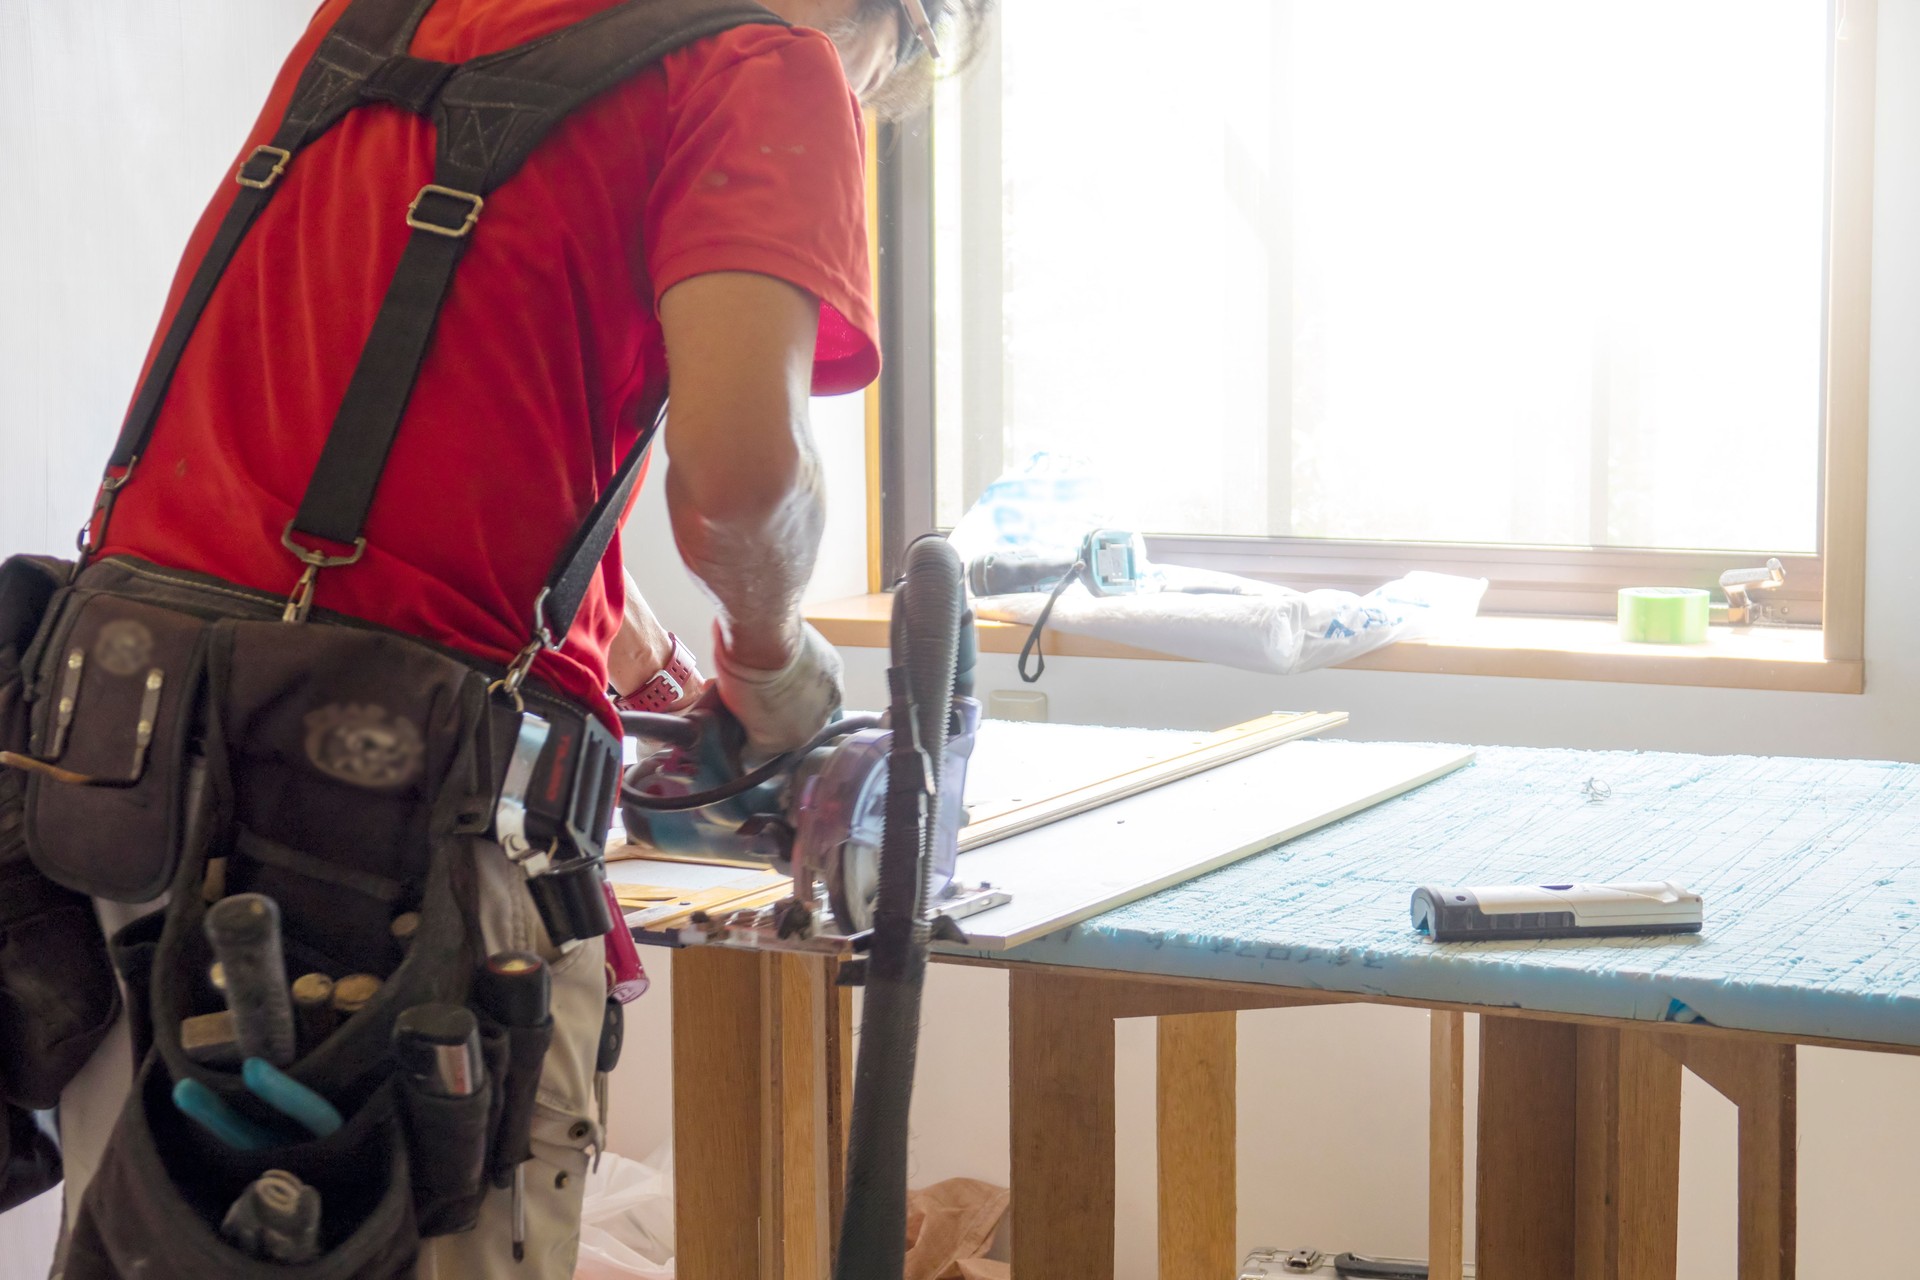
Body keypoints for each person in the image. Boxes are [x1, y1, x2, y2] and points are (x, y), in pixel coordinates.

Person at [46, 0, 990, 1275]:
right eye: (912, 67)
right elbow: (743, 486)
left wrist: (636, 646)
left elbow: (409, 438)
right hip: (385, 831)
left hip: (119, 767)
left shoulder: (389, 16)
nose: (878, 98)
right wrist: (772, 661)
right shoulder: (767, 62)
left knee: (151, 1240)